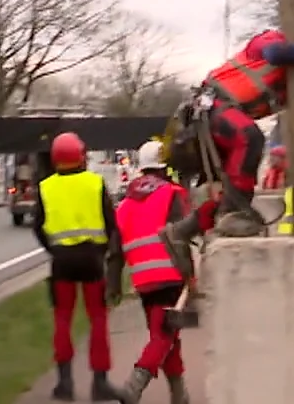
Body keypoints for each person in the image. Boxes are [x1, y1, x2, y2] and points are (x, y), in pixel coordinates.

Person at [162, 29, 294, 259]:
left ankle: (181, 230)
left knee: (227, 191)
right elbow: (275, 53)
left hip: (215, 119)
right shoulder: (268, 41)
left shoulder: (293, 84)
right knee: (249, 137)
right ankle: (236, 212)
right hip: (212, 106)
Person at [32, 131, 123, 401]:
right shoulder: (95, 183)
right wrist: (103, 251)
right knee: (97, 320)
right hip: (92, 260)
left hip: (61, 262)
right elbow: (111, 224)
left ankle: (64, 383)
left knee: (62, 320)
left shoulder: (45, 187)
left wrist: (54, 249)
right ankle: (100, 383)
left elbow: (38, 226)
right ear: (81, 156)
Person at [110, 139, 193, 404]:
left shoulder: (124, 205)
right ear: (164, 166)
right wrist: (191, 275)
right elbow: (181, 236)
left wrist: (113, 286)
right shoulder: (173, 193)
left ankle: (180, 395)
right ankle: (134, 387)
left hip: (144, 282)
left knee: (168, 337)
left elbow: (115, 250)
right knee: (164, 336)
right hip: (172, 277)